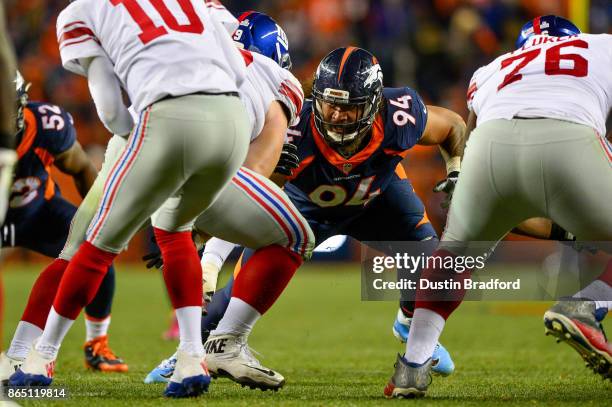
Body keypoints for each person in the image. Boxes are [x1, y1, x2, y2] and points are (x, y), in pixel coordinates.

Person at [149, 45, 468, 390]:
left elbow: (452, 125)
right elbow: (246, 201)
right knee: (236, 295)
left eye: (350, 107)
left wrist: (456, 170)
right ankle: (191, 351)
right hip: (308, 209)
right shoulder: (292, 126)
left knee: (435, 264)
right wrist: (206, 250)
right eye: (331, 103)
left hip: (380, 200)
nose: (337, 115)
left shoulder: (400, 115)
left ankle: (411, 324)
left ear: (375, 102)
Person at [9, 0, 253, 398]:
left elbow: (110, 111)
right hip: (232, 122)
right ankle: (191, 357)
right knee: (176, 233)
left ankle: (40, 357)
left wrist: (140, 141)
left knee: (95, 244)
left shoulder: (81, 11)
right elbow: (240, 70)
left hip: (165, 119)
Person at [384, 15, 612, 398]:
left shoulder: (491, 69)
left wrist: (570, 230)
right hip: (571, 137)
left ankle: (412, 367)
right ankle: (588, 305)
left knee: (454, 257)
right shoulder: (600, 45)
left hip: (489, 149)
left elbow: (486, 175)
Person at [144, 11, 313, 391]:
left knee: (90, 246)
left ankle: (39, 352)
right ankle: (222, 344)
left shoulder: (204, 54)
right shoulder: (277, 82)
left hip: (156, 150)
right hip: (215, 171)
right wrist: (210, 254)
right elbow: (250, 180)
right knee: (295, 237)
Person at [0, 72, 127, 383]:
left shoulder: (46, 125)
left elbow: (82, 168)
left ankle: (97, 343)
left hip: (38, 211)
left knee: (95, 249)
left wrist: (100, 216)